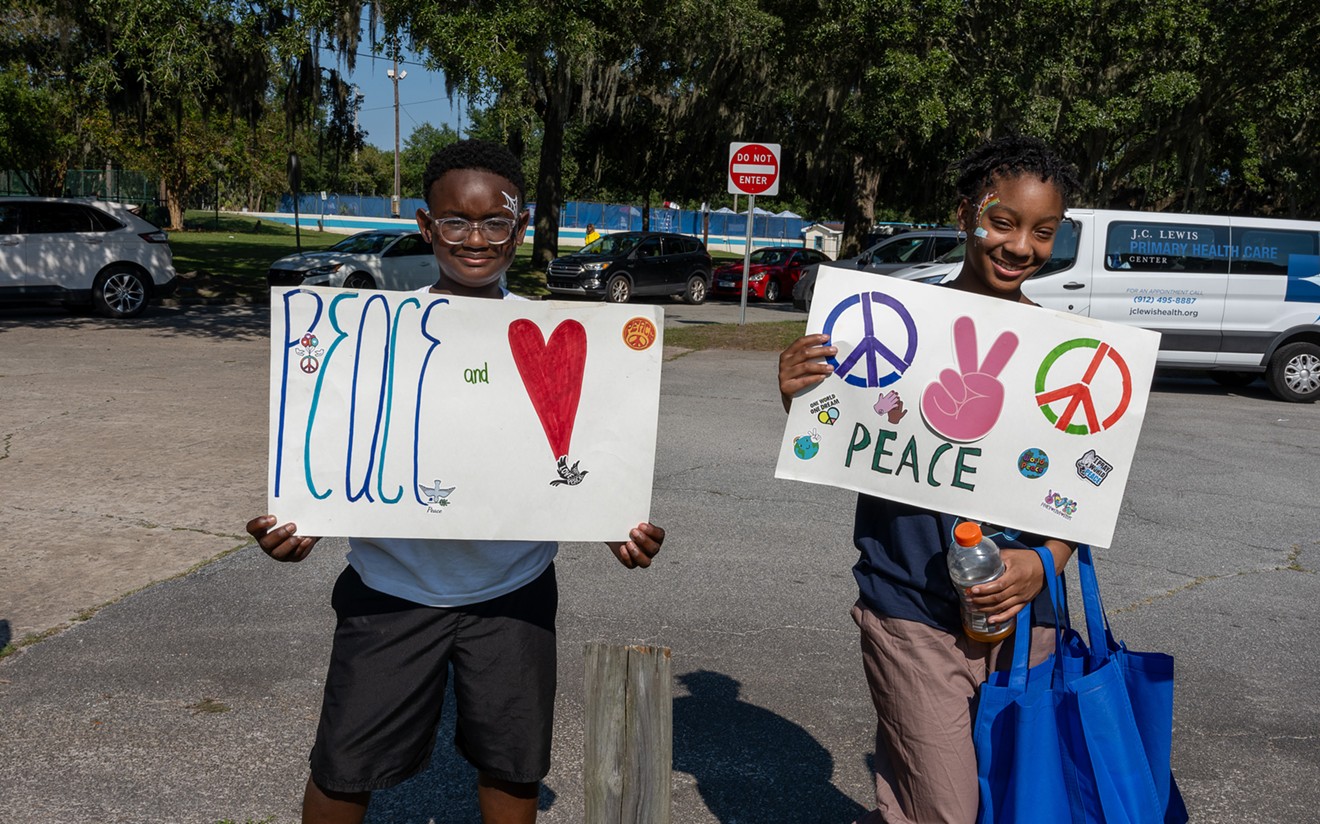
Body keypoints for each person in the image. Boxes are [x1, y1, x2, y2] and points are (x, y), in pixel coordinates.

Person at [247, 139, 666, 824]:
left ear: (520, 227)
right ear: (425, 225)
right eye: (455, 221)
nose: (476, 238)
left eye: (494, 222)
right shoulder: (375, 333)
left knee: (513, 766)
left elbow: (590, 455)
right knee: (344, 767)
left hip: (514, 592)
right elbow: (336, 446)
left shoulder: (563, 330)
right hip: (390, 587)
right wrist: (300, 518)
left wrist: (617, 521)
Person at [776, 135, 1081, 824]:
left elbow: (1078, 489)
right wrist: (797, 396)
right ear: (966, 213)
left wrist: (1044, 563)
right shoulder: (891, 328)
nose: (1020, 246)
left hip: (1026, 618)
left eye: (1043, 231)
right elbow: (835, 431)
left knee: (1018, 800)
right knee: (945, 807)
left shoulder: (1063, 356)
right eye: (1002, 221)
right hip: (908, 608)